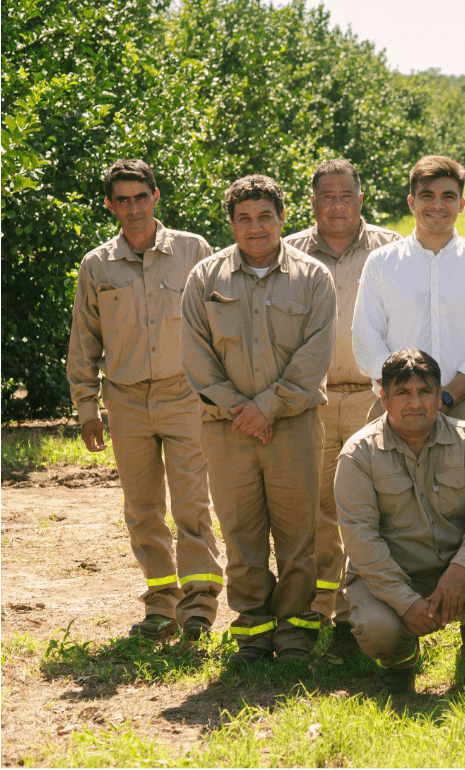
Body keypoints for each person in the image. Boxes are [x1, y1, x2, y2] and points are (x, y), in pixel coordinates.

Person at [182, 174, 335, 664]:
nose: (255, 227)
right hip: (226, 430)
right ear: (231, 224)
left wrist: (266, 407)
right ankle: (253, 630)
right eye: (244, 218)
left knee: (298, 535)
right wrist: (241, 410)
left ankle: (294, 631)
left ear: (283, 218)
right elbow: (196, 357)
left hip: (294, 426)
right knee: (241, 535)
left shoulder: (313, 277)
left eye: (265, 216)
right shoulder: (205, 279)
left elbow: (315, 354)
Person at [67, 158, 221, 643]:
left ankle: (199, 607)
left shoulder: (193, 250)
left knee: (192, 504)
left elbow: (219, 324)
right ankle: (161, 606)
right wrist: (88, 409)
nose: (133, 208)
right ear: (110, 205)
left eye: (140, 197)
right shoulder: (97, 265)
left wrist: (221, 394)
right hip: (127, 402)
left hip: (185, 396)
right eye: (123, 200)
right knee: (142, 509)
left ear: (155, 197)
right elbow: (84, 342)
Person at [335, 349, 465, 700]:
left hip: (458, 576)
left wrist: (461, 569)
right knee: (377, 628)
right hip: (393, 577)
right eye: (403, 393)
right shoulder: (358, 454)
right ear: (383, 399)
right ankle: (400, 662)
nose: (415, 403)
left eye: (425, 391)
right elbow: (361, 542)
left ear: (439, 395)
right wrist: (406, 603)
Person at [284, 158, 401, 659]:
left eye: (345, 195)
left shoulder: (390, 249)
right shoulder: (288, 252)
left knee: (366, 508)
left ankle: (358, 614)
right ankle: (316, 609)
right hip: (310, 399)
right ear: (313, 202)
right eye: (327, 197)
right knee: (312, 509)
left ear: (360, 198)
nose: (337, 205)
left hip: (373, 397)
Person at [351, 156, 465, 440]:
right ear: (411, 202)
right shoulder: (381, 263)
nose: (437, 205)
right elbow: (366, 336)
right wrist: (403, 395)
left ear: (461, 204)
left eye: (448, 196)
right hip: (394, 408)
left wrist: (446, 396)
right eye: (427, 196)